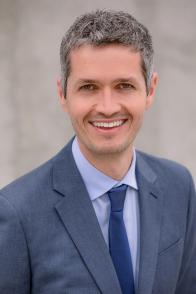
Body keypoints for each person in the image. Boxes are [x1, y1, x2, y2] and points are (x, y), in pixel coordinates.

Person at [0, 9, 195, 294]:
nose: (107, 106)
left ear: (150, 90)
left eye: (124, 86)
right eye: (89, 87)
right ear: (63, 94)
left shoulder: (179, 187)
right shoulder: (17, 212)